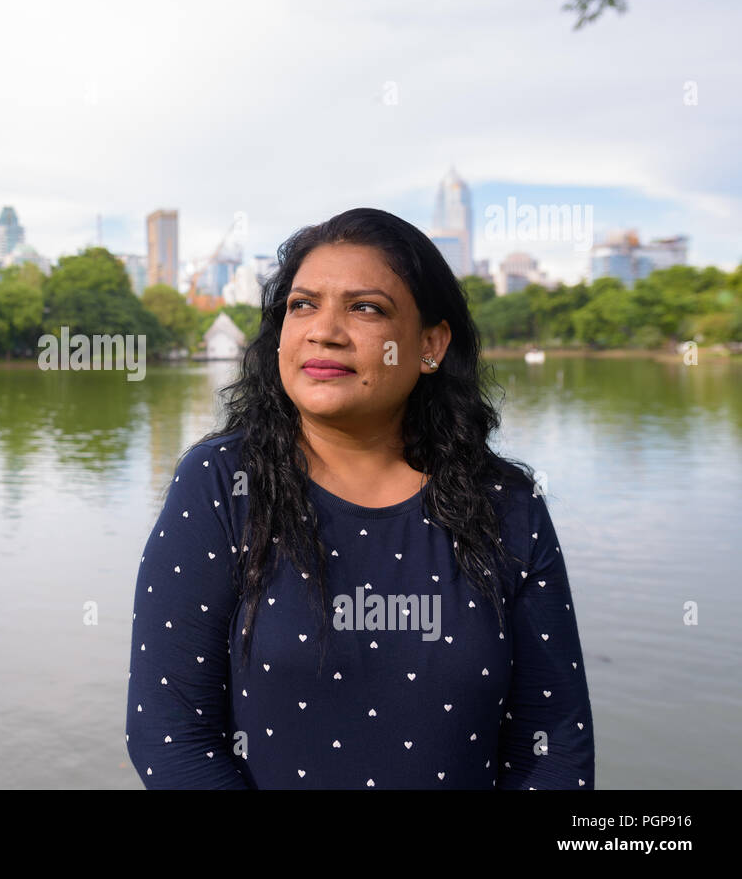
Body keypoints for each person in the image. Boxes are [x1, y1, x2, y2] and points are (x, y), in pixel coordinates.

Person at [125, 208, 594, 789]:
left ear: (430, 345)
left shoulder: (506, 504)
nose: (324, 330)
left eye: (365, 307)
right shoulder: (222, 484)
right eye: (302, 305)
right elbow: (170, 736)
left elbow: (553, 745)